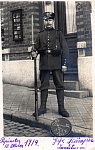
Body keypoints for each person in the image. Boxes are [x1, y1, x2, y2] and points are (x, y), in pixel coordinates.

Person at [32, 12, 69, 117]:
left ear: (53, 21)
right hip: (44, 63)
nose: (48, 22)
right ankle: (42, 107)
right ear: (43, 21)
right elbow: (36, 49)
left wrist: (64, 64)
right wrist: (34, 53)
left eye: (50, 20)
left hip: (57, 63)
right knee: (43, 86)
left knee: (60, 85)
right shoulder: (40, 35)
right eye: (46, 20)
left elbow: (65, 49)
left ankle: (61, 108)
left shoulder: (58, 34)